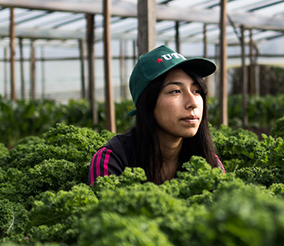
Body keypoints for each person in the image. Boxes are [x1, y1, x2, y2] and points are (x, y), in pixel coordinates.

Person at [88, 44, 224, 185]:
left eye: (196, 91)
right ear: (148, 103)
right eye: (175, 91)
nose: (193, 103)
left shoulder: (210, 162)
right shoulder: (113, 160)